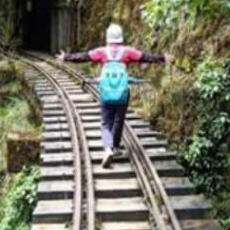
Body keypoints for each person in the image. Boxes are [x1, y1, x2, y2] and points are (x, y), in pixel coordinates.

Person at [57, 24, 167, 167]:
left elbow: (84, 56)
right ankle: (115, 147)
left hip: (107, 93)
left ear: (108, 37)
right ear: (121, 37)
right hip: (122, 94)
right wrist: (162, 58)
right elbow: (145, 57)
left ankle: (107, 148)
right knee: (119, 120)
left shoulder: (102, 52)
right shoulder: (127, 52)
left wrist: (66, 57)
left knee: (106, 122)